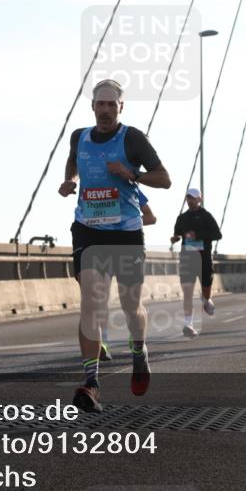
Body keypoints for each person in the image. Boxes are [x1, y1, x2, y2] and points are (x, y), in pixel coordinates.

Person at [59, 79, 171, 413]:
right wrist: (71, 181)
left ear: (121, 107)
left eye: (112, 104)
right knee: (91, 302)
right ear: (92, 106)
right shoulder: (79, 136)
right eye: (100, 104)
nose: (105, 110)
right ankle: (91, 383)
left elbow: (164, 178)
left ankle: (139, 350)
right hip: (88, 229)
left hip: (125, 232)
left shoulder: (132, 138)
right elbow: (73, 161)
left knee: (129, 306)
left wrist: (130, 173)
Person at [101, 186, 155, 363]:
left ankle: (136, 336)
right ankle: (103, 343)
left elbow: (151, 217)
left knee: (131, 303)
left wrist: (124, 221)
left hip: (128, 244)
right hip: (101, 246)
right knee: (99, 296)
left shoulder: (131, 188)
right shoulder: (93, 189)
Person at [170, 188, 222, 338]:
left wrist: (197, 235)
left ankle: (207, 299)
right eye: (188, 198)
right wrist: (175, 238)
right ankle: (188, 324)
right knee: (187, 292)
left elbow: (218, 234)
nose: (190, 201)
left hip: (203, 258)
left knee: (206, 286)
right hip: (187, 258)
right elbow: (178, 233)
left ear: (199, 199)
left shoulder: (206, 216)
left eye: (193, 198)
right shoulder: (182, 218)